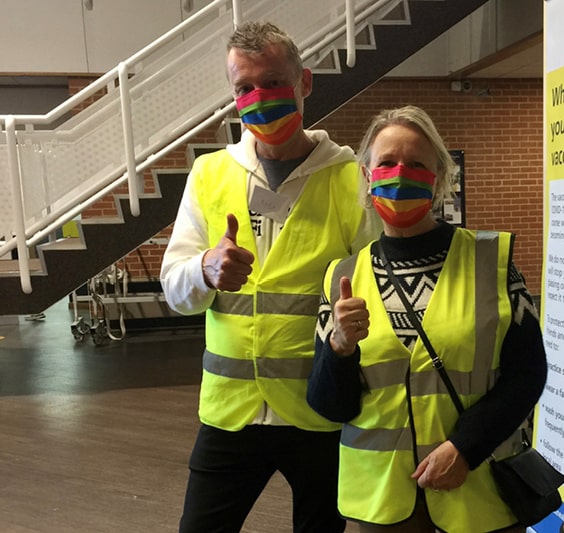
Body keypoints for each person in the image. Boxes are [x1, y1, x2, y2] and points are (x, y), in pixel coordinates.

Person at [160, 21, 378, 533]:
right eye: (244, 88)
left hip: (318, 410)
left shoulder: (351, 180)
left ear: (304, 82)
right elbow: (176, 289)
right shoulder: (210, 174)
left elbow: (375, 291)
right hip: (231, 412)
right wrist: (204, 270)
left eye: (274, 83)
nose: (260, 97)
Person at [307, 105, 549, 533]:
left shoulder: (491, 262)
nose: (400, 174)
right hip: (383, 501)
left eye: (416, 164)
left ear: (438, 177)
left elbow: (528, 374)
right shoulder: (342, 277)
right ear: (366, 176)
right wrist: (339, 349)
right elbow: (330, 406)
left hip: (477, 490)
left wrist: (465, 448)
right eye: (386, 163)